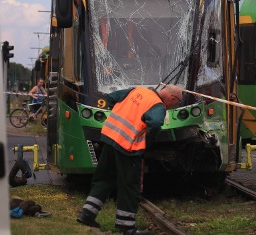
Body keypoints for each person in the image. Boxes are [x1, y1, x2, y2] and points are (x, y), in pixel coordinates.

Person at [77, 84, 184, 234]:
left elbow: (111, 97)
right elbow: (154, 124)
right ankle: (127, 227)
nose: (175, 106)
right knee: (129, 186)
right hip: (128, 146)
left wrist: (123, 114)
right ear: (172, 98)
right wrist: (146, 142)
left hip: (110, 137)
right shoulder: (157, 106)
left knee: (104, 178)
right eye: (177, 103)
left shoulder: (138, 90)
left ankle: (87, 214)